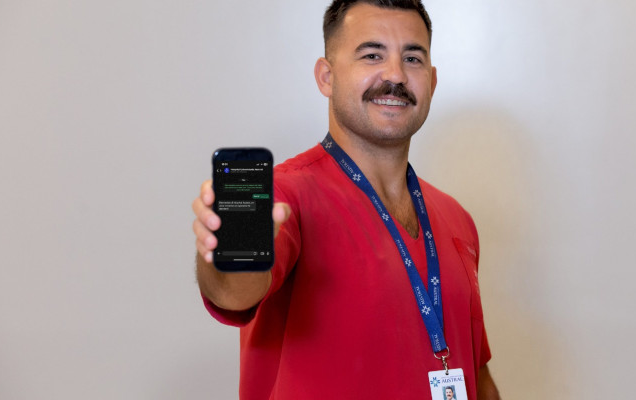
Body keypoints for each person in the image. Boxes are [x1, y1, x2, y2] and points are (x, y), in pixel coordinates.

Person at [192, 1, 501, 399]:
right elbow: (232, 293)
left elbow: (476, 373)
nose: (395, 74)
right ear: (327, 76)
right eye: (372, 55)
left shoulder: (456, 218)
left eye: (412, 58)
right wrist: (230, 246)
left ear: (432, 80)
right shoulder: (285, 196)